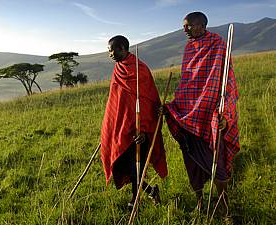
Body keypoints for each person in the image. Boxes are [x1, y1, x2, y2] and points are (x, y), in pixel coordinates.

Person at [164, 12, 240, 216]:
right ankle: (199, 202)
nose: (185, 30)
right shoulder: (189, 48)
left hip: (211, 115)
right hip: (188, 114)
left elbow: (226, 81)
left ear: (201, 25)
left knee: (217, 163)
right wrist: (172, 107)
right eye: (184, 26)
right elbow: (188, 83)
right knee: (191, 162)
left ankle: (223, 203)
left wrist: (225, 113)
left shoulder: (218, 44)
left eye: (188, 26)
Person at [100, 35, 168, 209]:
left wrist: (144, 130)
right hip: (123, 128)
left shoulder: (140, 70)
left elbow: (148, 101)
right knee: (127, 166)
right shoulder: (118, 68)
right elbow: (117, 101)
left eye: (112, 50)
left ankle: (134, 201)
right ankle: (151, 191)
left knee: (136, 166)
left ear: (122, 48)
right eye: (109, 51)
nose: (110, 54)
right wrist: (113, 124)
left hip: (140, 129)